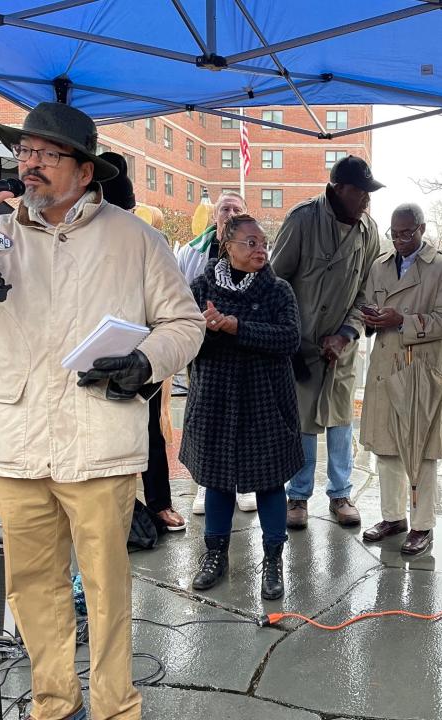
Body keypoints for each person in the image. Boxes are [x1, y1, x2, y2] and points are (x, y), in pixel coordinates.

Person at [0, 101, 206, 720]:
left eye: (45, 154)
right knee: (32, 587)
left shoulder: (136, 239)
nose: (29, 164)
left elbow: (185, 323)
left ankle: (116, 706)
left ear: (85, 171)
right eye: (25, 153)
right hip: (15, 442)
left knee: (107, 588)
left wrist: (146, 360)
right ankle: (54, 704)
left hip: (98, 442)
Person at [179, 214, 302, 600]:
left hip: (264, 401)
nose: (260, 249)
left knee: (268, 483)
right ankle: (215, 555)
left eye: (263, 242)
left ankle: (272, 559)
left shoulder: (278, 290)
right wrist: (209, 330)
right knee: (216, 481)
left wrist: (237, 327)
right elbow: (186, 341)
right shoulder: (201, 287)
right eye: (251, 242)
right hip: (214, 398)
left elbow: (290, 338)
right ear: (227, 245)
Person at [270, 155, 383, 530]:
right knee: (302, 422)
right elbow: (276, 282)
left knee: (340, 420)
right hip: (300, 346)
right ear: (337, 189)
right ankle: (297, 497)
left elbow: (368, 292)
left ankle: (340, 494)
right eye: (359, 192)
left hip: (342, 347)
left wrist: (347, 334)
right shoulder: (302, 219)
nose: (365, 200)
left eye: (369, 193)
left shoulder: (370, 230)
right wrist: (287, 335)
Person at [359, 203, 442, 555]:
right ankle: (393, 517)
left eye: (407, 233)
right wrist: (371, 318)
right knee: (387, 449)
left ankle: (422, 525)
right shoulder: (379, 266)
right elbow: (367, 307)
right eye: (395, 234)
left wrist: (402, 320)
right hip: (386, 365)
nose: (400, 240)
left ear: (421, 228)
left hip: (421, 369)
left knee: (421, 452)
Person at [99, 151, 186, 533]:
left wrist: (149, 353)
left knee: (150, 430)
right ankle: (116, 509)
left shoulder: (147, 241)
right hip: (83, 359)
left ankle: (159, 503)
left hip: (139, 352)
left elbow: (177, 314)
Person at [174, 189, 256, 516]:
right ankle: (206, 484)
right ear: (215, 216)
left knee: (245, 417)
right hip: (203, 350)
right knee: (205, 417)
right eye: (225, 209)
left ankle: (243, 483)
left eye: (237, 208)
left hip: (243, 349)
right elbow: (177, 295)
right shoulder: (193, 253)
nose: (230, 213)